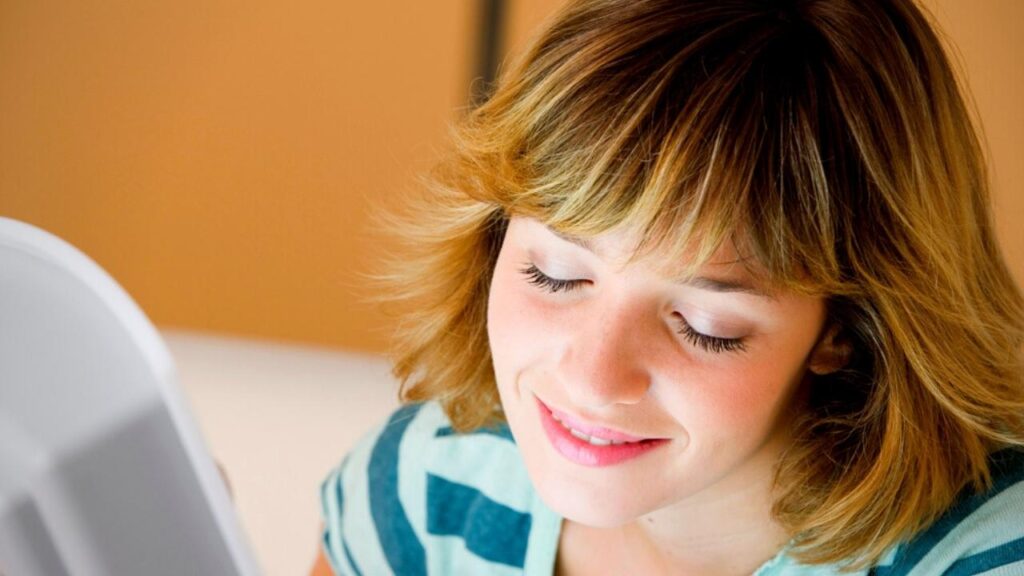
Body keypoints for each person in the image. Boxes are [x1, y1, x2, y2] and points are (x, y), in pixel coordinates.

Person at [311, 0, 1024, 573]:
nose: (594, 379)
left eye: (704, 326)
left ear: (845, 330)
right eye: (554, 275)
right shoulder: (427, 486)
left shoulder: (984, 552)